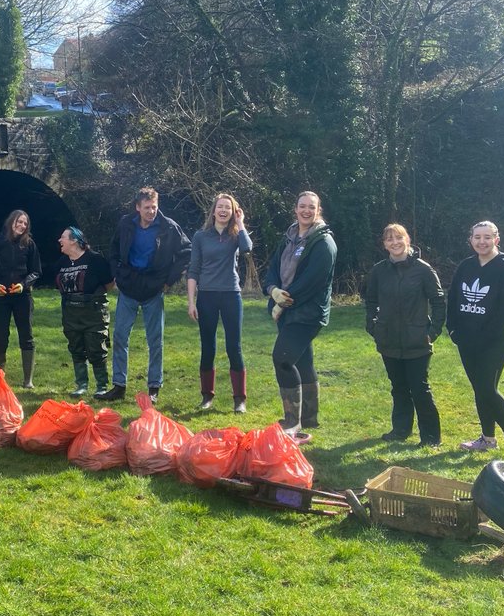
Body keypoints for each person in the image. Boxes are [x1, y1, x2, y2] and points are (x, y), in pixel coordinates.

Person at [102, 186, 192, 402]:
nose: (151, 212)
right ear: (137, 208)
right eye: (147, 208)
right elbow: (113, 249)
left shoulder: (169, 227)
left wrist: (169, 281)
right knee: (120, 336)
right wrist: (117, 273)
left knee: (155, 340)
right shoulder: (125, 224)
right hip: (129, 287)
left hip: (154, 288)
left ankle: (154, 387)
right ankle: (118, 385)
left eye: (154, 207)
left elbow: (186, 252)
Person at [446, 220, 504, 463]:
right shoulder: (466, 266)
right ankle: (487, 439)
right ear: (471, 240)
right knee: (480, 390)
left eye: (487, 237)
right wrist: (453, 329)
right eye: (477, 237)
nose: (482, 241)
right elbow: (453, 298)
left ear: (496, 240)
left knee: (487, 390)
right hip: (467, 341)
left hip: (494, 342)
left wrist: (486, 336)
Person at [263, 191, 337, 443]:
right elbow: (272, 268)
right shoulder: (289, 237)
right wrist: (272, 290)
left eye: (311, 207)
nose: (306, 211)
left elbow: (311, 282)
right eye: (302, 206)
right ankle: (309, 419)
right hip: (287, 309)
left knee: (282, 359)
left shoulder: (324, 243)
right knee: (302, 362)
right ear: (295, 209)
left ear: (318, 211)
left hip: (307, 313)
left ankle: (292, 423)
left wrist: (283, 303)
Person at [364, 224, 446, 446]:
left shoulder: (423, 270)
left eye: (398, 238)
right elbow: (370, 301)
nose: (394, 243)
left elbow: (439, 302)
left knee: (419, 388)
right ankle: (401, 430)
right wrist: (373, 326)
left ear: (407, 240)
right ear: (384, 244)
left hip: (417, 340)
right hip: (388, 339)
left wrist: (433, 332)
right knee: (398, 387)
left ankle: (430, 437)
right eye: (389, 239)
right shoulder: (379, 271)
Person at [187, 193, 252, 412]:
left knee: (234, 346)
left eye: (228, 208)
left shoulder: (236, 235)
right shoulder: (200, 236)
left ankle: (239, 399)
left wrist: (241, 223)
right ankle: (207, 397)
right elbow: (193, 270)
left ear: (233, 212)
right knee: (208, 347)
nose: (224, 211)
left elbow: (247, 248)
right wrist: (191, 301)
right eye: (220, 207)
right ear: (213, 210)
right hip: (207, 296)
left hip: (231, 295)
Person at [0, 209, 42, 388]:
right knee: (0, 337)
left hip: (22, 297)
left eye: (25, 223)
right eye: (19, 221)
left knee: (27, 336)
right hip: (0, 297)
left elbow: (36, 271)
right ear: (11, 222)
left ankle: (28, 381)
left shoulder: (30, 244)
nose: (22, 226)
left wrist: (24, 284)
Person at [56, 227, 114, 398]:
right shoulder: (62, 263)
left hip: (94, 312)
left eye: (63, 237)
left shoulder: (95, 260)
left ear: (74, 240)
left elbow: (109, 284)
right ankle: (81, 384)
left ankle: (101, 386)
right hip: (70, 313)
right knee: (76, 348)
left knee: (96, 348)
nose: (60, 240)